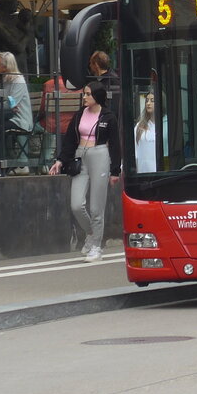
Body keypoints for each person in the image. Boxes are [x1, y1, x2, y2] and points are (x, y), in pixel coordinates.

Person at [50, 80, 122, 262]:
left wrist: (115, 170)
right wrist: (60, 160)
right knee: (76, 204)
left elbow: (115, 145)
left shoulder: (108, 117)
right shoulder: (79, 114)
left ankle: (97, 246)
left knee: (97, 206)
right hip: (80, 155)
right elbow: (69, 141)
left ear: (97, 96)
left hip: (100, 155)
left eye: (88, 94)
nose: (85, 97)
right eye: (85, 94)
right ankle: (91, 233)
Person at [0, 50, 33, 177]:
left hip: (19, 119)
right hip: (3, 117)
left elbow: (11, 104)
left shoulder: (18, 81)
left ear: (6, 67)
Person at [0, 0, 37, 76]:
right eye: (16, 1)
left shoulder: (16, 19)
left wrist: (29, 23)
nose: (18, 4)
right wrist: (28, 33)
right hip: (5, 69)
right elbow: (18, 47)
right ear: (8, 3)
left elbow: (30, 49)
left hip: (20, 68)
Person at [38, 75, 82, 165]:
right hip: (72, 127)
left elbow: (42, 107)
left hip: (51, 126)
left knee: (35, 125)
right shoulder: (79, 85)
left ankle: (45, 163)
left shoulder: (49, 84)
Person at [134, 92, 157, 173]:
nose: (148, 103)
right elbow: (135, 149)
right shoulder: (139, 126)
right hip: (143, 172)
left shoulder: (167, 124)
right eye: (147, 100)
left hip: (160, 172)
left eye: (152, 100)